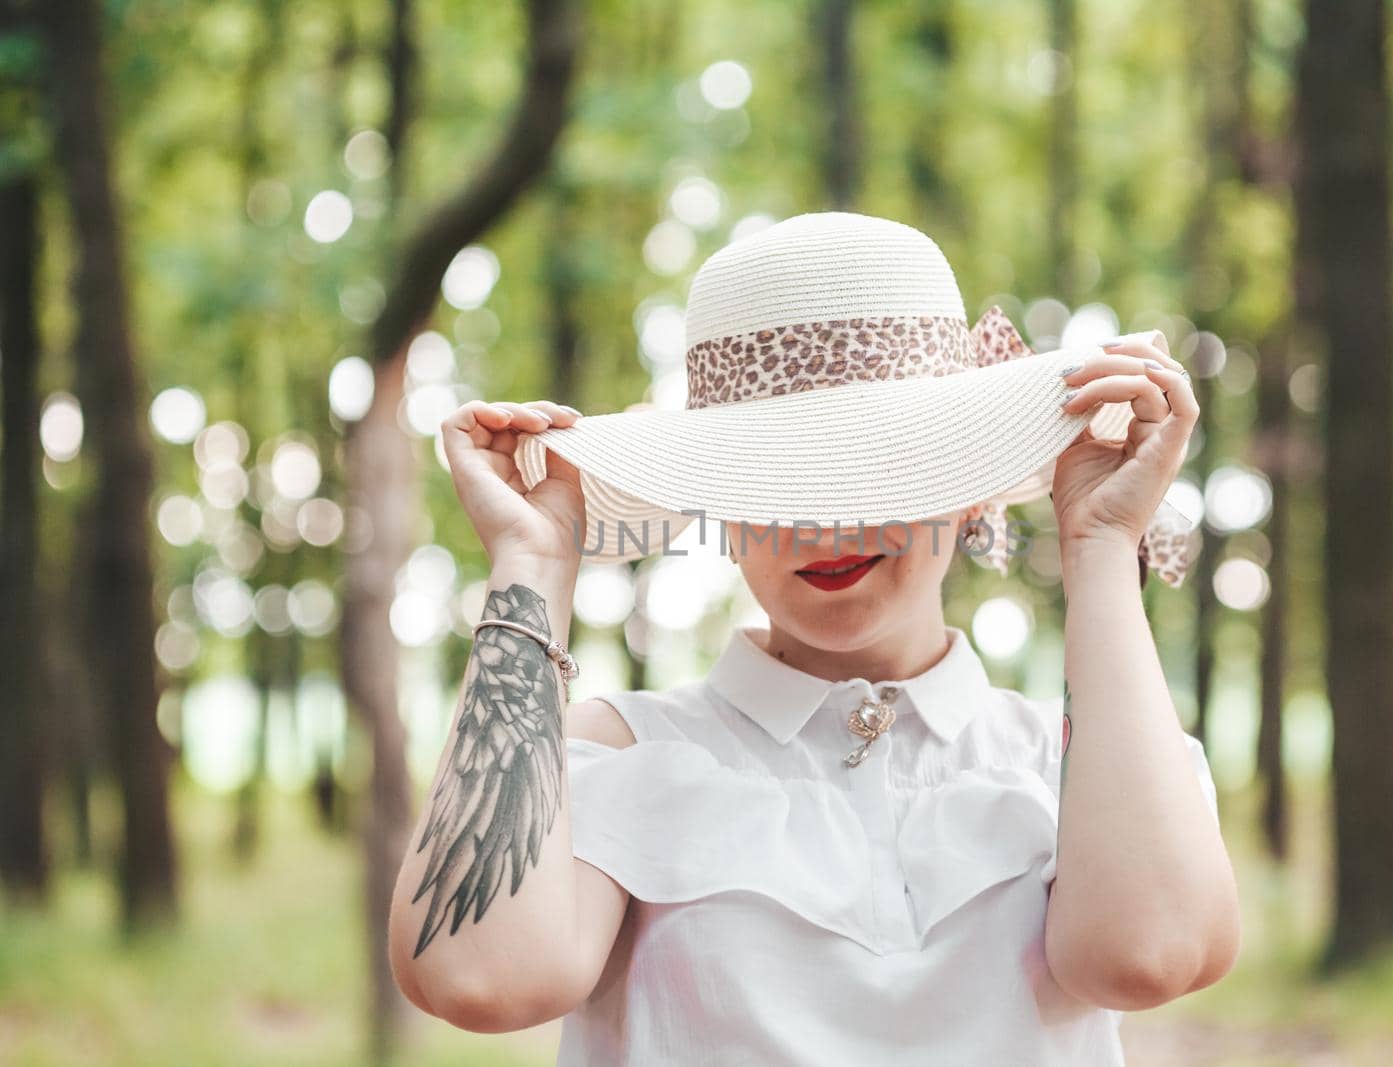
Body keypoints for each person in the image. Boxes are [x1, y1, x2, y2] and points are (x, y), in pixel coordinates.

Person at [387, 212, 1239, 1065]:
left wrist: (1099, 546)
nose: (823, 522)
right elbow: (478, 976)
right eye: (770, 474)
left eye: (880, 462)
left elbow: (1148, 955)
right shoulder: (623, 752)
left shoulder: (1074, 764)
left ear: (973, 489)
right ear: (715, 499)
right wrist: (531, 565)